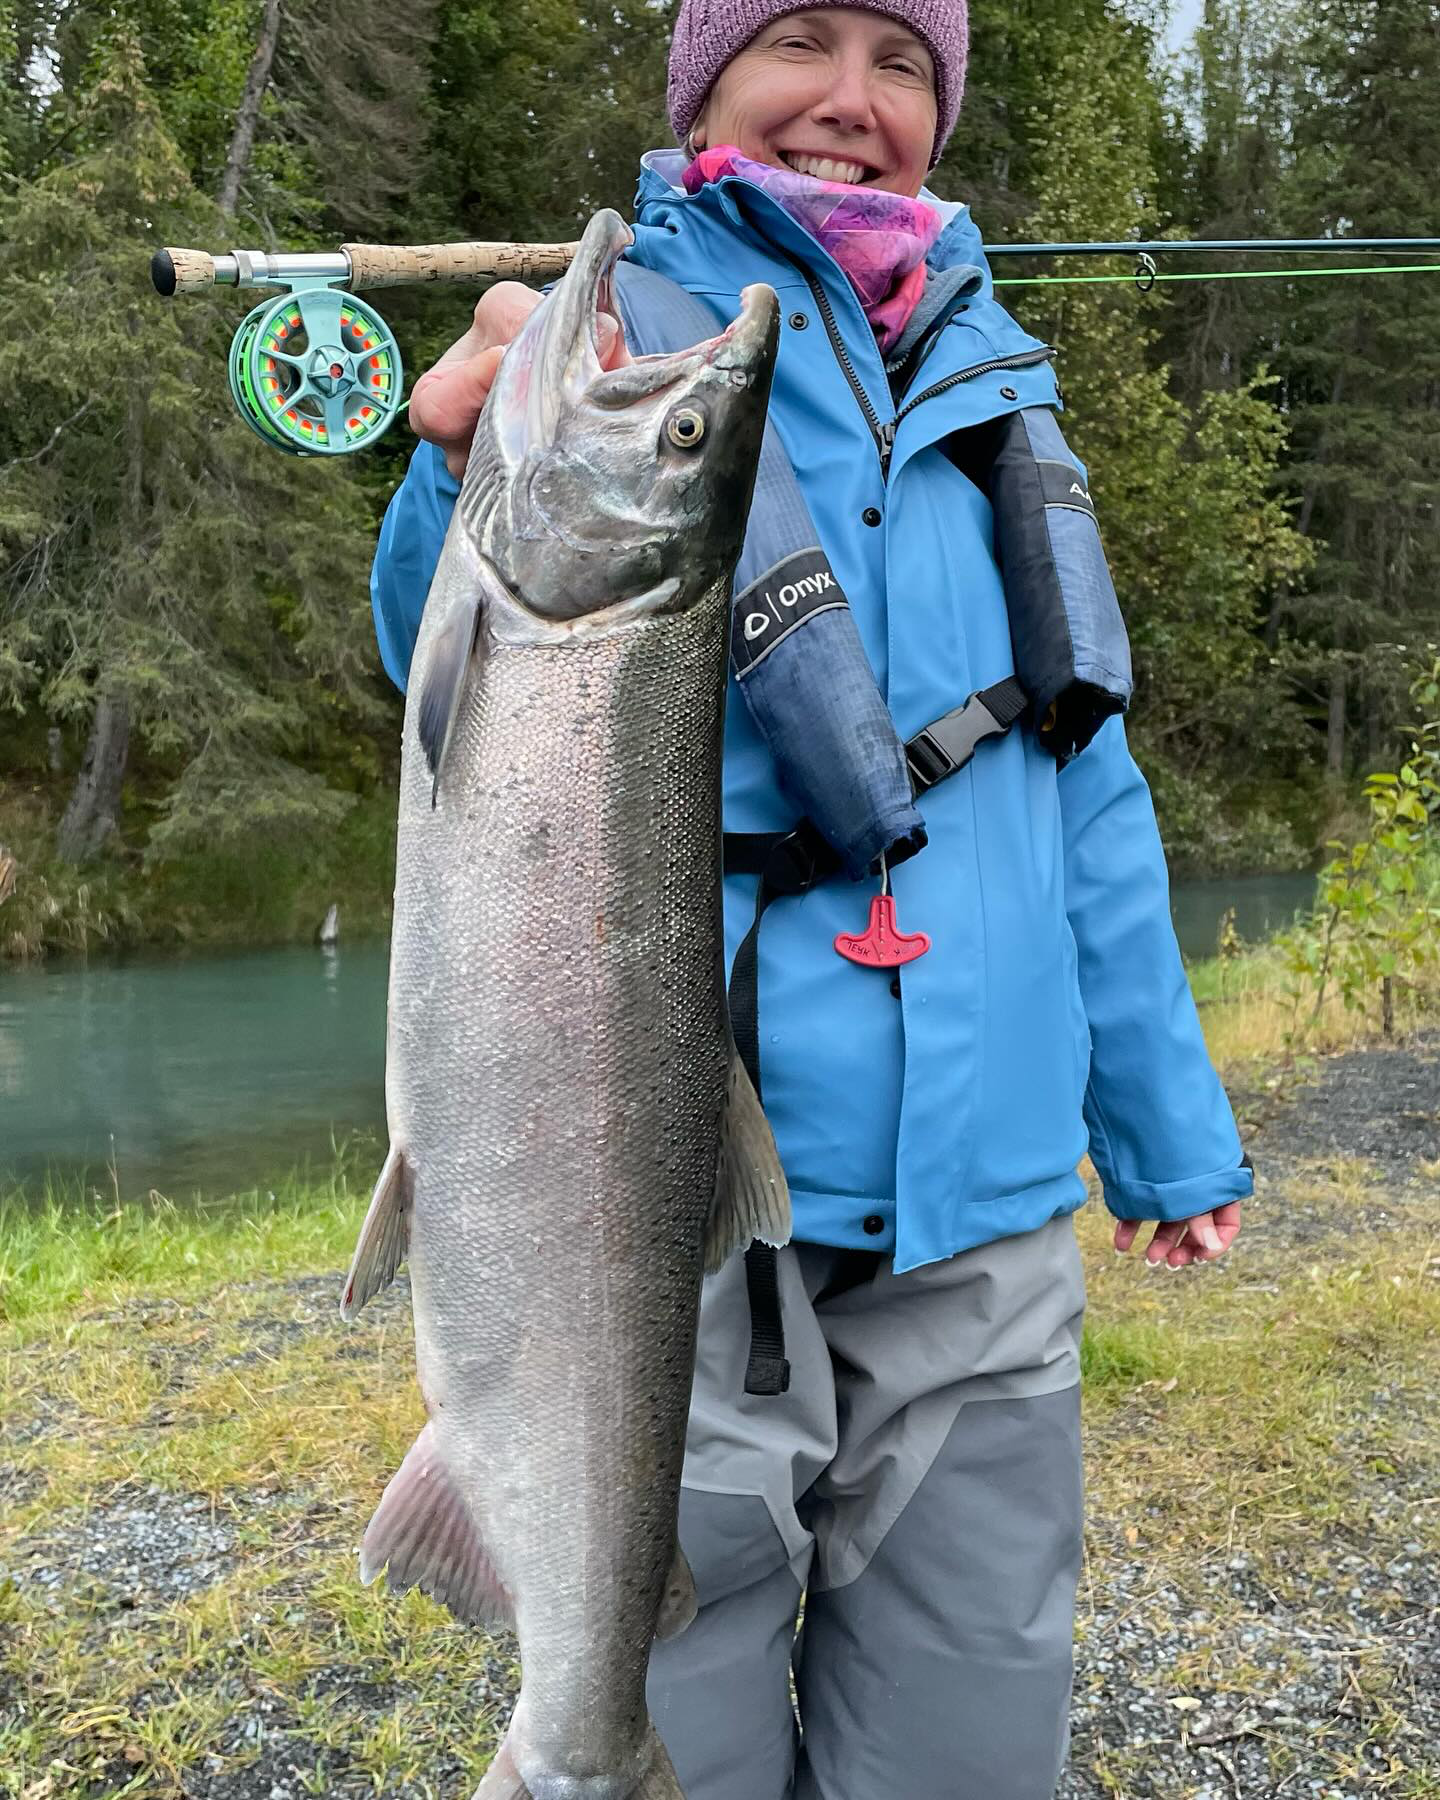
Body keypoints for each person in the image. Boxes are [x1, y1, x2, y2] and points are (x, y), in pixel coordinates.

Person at [369, 3, 1251, 1794]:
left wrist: (1168, 1131)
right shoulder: (613, 345)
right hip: (664, 1225)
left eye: (903, 62)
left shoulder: (1004, 390)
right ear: (702, 82)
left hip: (986, 1215)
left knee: (971, 1722)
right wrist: (452, 463)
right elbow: (446, 674)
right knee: (641, 1683)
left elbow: (1083, 791)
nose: (851, 102)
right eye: (795, 41)